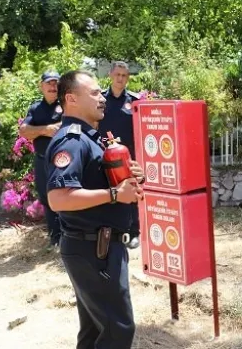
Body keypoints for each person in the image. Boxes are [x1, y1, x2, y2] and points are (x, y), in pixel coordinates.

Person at [46, 70, 144, 348]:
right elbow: (59, 198)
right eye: (94, 93)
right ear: (71, 99)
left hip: (98, 247)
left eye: (101, 92)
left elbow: (100, 181)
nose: (102, 98)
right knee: (118, 330)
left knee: (94, 332)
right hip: (93, 250)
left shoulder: (92, 139)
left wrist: (131, 177)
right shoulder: (72, 141)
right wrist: (115, 193)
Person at [98, 61, 141, 249]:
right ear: (110, 75)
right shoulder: (100, 101)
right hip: (104, 155)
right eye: (117, 75)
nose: (120, 78)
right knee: (108, 193)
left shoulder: (134, 101)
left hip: (127, 157)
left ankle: (133, 232)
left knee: (130, 194)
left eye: (124, 75)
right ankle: (114, 232)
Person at [19, 71, 63, 250]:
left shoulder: (68, 104)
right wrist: (47, 129)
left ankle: (69, 238)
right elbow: (24, 131)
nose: (53, 87)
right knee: (46, 198)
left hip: (63, 161)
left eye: (56, 83)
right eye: (49, 83)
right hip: (42, 160)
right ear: (41, 86)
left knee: (65, 196)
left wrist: (37, 130)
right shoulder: (35, 108)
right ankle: (55, 238)